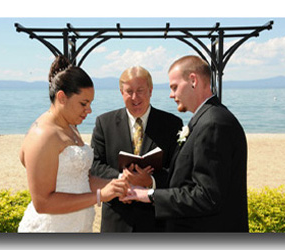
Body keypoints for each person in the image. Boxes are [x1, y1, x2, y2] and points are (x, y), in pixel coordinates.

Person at [122, 55, 249, 232]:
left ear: (193, 81)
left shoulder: (213, 124)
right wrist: (150, 182)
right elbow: (184, 179)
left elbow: (207, 196)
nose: (171, 94)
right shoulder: (206, 119)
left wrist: (149, 195)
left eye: (174, 87)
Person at [18, 55, 128, 233]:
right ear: (62, 97)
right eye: (83, 103)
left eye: (90, 103)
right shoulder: (42, 135)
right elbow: (43, 203)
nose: (89, 110)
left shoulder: (71, 127)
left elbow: (81, 179)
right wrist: (100, 196)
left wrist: (115, 184)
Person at [90, 66, 183, 232]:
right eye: (129, 91)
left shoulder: (172, 124)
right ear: (121, 92)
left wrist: (150, 181)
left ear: (150, 90)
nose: (135, 97)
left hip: (156, 222)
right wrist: (122, 180)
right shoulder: (104, 123)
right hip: (116, 220)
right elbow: (94, 165)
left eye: (140, 90)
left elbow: (178, 171)